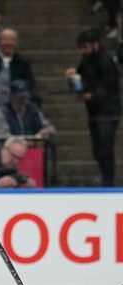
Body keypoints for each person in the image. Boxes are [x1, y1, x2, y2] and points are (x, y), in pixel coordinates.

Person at [64, 28, 121, 187]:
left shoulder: (106, 61)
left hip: (108, 112)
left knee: (105, 147)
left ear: (94, 45)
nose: (84, 50)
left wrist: (93, 95)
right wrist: (74, 75)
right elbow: (83, 76)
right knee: (97, 148)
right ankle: (104, 175)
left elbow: (110, 86)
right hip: (95, 111)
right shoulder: (87, 58)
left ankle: (108, 179)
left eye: (85, 46)